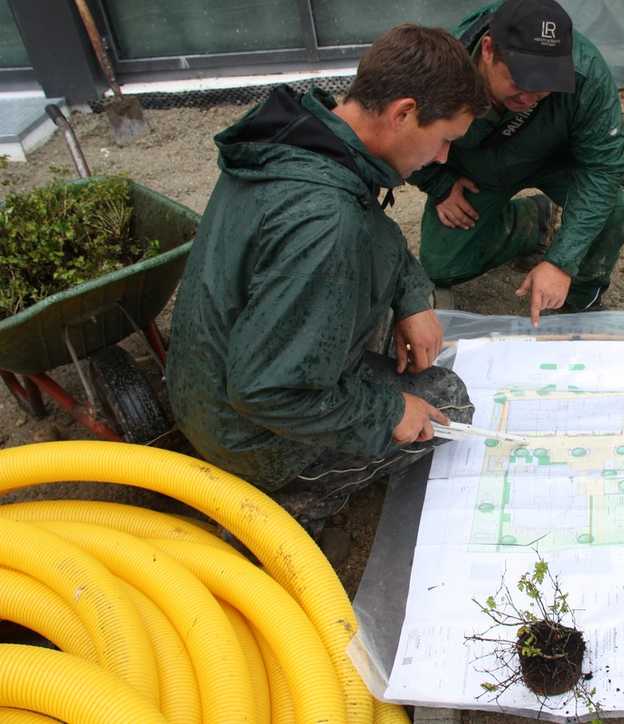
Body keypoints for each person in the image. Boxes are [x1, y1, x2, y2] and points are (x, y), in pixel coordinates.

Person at [166, 25, 490, 529]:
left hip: (202, 381)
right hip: (246, 433)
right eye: (445, 140)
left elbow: (371, 227)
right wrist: (386, 412)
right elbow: (266, 392)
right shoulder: (325, 223)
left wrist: (409, 296)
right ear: (404, 113)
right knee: (447, 403)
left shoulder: (304, 141)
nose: (444, 158)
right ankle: (291, 504)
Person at [409, 0, 624, 326]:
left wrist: (561, 263)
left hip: (557, 159)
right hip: (478, 168)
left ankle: (581, 298)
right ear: (488, 50)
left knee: (612, 207)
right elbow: (404, 133)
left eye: (543, 87)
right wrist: (439, 183)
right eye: (518, 82)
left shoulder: (586, 72)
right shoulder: (439, 66)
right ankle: (533, 220)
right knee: (443, 266)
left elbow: (602, 167)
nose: (528, 98)